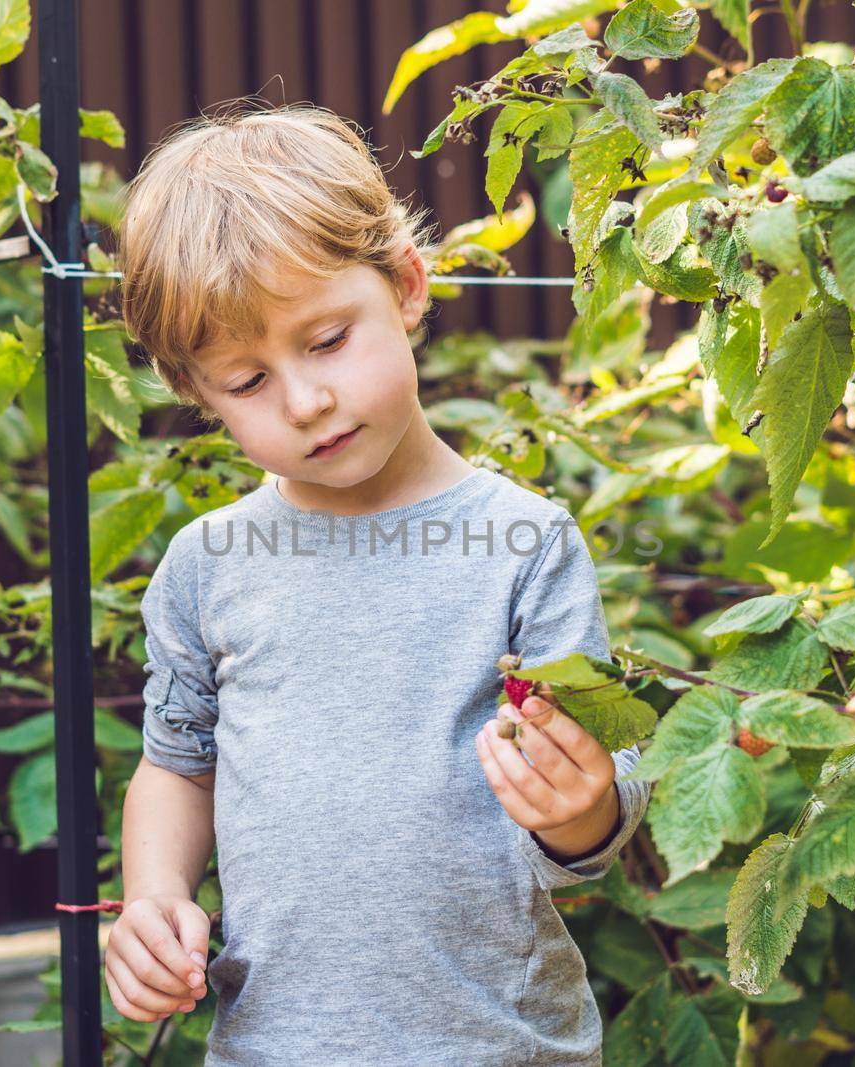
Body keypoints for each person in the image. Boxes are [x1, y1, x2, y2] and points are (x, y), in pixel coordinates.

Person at [108, 99, 651, 1066]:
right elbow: (177, 763)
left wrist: (581, 809)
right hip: (273, 1044)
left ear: (405, 283)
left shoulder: (523, 543)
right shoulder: (208, 565)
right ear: (197, 396)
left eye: (325, 342)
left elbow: (596, 808)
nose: (306, 399)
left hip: (501, 1045)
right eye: (247, 381)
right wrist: (155, 897)